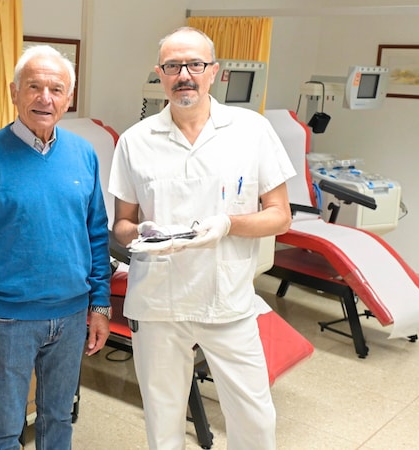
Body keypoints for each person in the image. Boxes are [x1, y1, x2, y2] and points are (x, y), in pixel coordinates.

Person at [109, 27, 296, 450]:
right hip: (158, 302)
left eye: (195, 64)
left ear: (214, 72)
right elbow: (121, 223)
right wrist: (141, 232)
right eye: (173, 66)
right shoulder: (135, 141)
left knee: (255, 419)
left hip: (226, 298)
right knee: (163, 419)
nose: (184, 75)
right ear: (160, 73)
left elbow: (280, 216)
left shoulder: (251, 130)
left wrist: (229, 224)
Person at [0, 44, 112, 450]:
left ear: (68, 98)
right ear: (13, 92)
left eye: (56, 89)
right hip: (9, 323)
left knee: (59, 418)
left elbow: (96, 233)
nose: (45, 98)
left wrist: (100, 305)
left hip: (73, 315)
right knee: (4, 428)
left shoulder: (84, 155)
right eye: (34, 86)